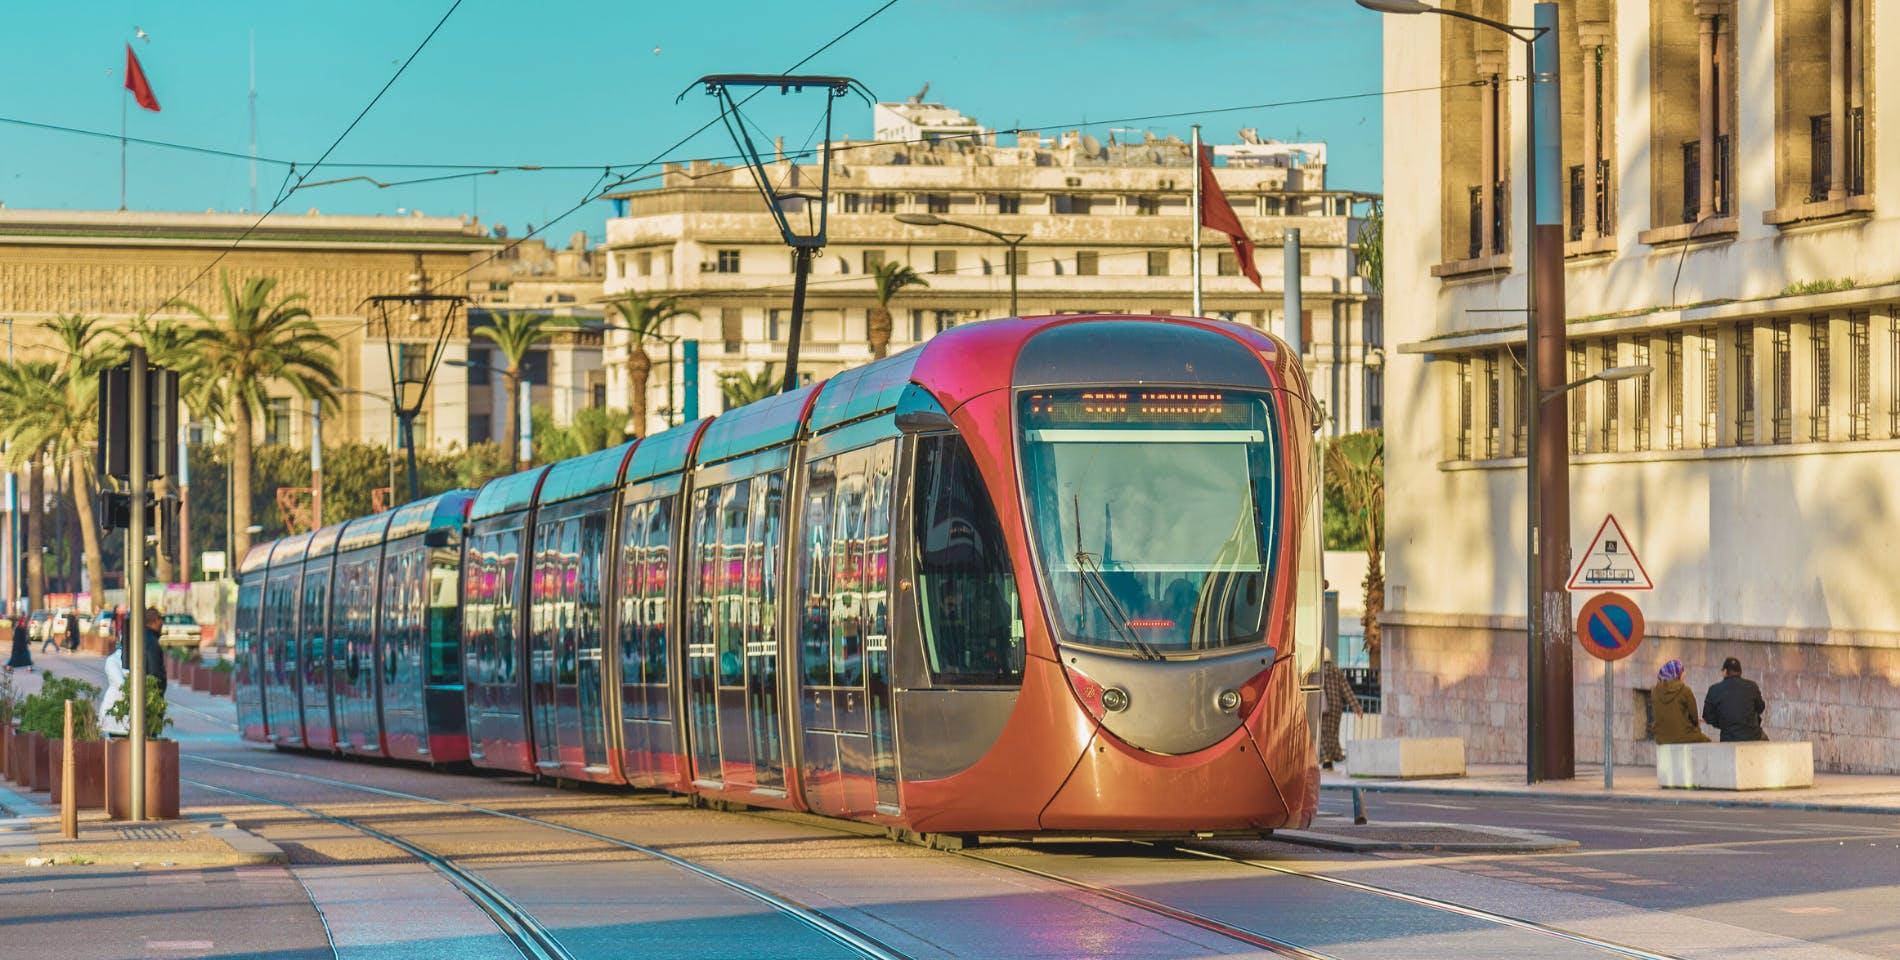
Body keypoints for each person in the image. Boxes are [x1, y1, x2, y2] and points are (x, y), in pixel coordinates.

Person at [1703, 656, 1768, 742]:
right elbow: (1761, 708)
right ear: (1740, 672)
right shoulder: (1752, 686)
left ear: (1725, 671)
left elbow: (1707, 716)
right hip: (1753, 736)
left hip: (1728, 738)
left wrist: (1724, 723)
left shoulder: (1714, 690)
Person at [1318, 647, 1363, 770]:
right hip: (1336, 707)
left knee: (1323, 733)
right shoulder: (1337, 671)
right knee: (1332, 733)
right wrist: (1357, 708)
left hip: (1322, 707)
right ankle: (1334, 755)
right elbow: (1346, 690)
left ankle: (1327, 758)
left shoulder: (1318, 671)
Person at [1649, 659, 1709, 744]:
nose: (1684, 674)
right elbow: (1694, 718)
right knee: (1708, 742)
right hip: (1683, 736)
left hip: (1661, 738)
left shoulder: (1654, 691)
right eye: (1682, 671)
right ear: (1677, 674)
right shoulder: (1685, 690)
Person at [124, 606, 169, 696]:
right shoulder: (152, 641)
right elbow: (154, 672)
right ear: (156, 620)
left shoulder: (142, 637)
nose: (162, 623)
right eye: (161, 619)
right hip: (150, 695)